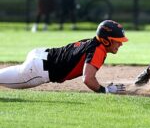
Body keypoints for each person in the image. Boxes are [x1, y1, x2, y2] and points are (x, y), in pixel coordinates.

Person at [0, 20, 128, 94]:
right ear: (106, 40)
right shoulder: (98, 50)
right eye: (117, 40)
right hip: (38, 69)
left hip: (40, 56)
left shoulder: (90, 42)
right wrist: (105, 90)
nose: (121, 44)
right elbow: (88, 79)